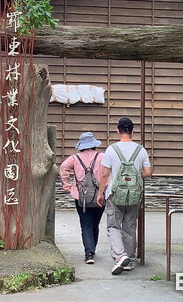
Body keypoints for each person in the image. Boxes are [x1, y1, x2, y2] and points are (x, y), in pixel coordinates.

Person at [96, 117, 152, 275]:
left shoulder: (111, 149)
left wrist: (100, 193)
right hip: (134, 195)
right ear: (132, 131)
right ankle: (129, 260)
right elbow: (148, 172)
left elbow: (104, 174)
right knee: (129, 226)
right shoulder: (140, 150)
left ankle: (120, 256)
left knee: (113, 226)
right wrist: (138, 174)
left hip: (115, 194)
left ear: (117, 130)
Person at [60, 131, 105, 264]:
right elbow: (108, 172)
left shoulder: (74, 158)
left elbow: (63, 168)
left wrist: (66, 184)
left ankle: (89, 253)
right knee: (95, 224)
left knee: (86, 224)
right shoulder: (102, 156)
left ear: (81, 145)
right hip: (99, 195)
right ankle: (93, 248)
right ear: (94, 145)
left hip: (81, 196)